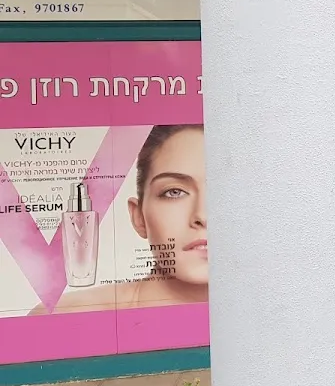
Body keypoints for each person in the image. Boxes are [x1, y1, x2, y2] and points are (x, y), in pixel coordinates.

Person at [33, 124, 208, 313]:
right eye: (174, 192)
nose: (203, 216)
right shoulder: (61, 314)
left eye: (224, 190)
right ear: (138, 217)